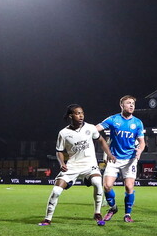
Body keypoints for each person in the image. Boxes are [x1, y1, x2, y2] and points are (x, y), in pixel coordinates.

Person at [39, 104, 112, 226]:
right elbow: (59, 151)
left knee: (98, 183)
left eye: (82, 113)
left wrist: (108, 154)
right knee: (56, 191)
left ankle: (97, 213)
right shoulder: (63, 133)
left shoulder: (91, 128)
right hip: (72, 166)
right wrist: (62, 163)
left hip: (90, 165)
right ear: (70, 116)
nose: (81, 115)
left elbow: (101, 140)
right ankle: (47, 219)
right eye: (77, 113)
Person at [96, 95, 146, 223]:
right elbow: (97, 128)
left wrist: (140, 150)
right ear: (121, 105)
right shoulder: (113, 119)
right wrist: (87, 130)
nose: (131, 106)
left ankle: (127, 215)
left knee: (129, 187)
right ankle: (113, 208)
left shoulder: (138, 123)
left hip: (130, 160)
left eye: (133, 104)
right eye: (128, 103)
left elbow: (142, 142)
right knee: (107, 186)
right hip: (114, 158)